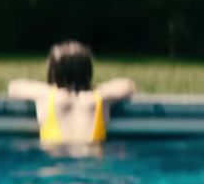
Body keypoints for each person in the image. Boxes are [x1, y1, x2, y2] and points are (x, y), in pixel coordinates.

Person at [8, 41, 136, 151]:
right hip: (90, 167)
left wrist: (51, 87)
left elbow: (13, 87)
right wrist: (93, 88)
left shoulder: (46, 95)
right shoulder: (98, 98)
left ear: (53, 71)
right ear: (88, 71)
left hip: (56, 167)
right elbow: (128, 85)